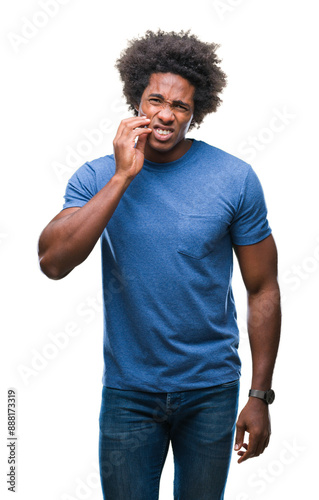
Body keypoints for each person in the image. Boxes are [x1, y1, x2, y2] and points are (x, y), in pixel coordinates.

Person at [38, 30, 281, 500]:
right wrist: (123, 175)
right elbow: (53, 261)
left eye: (181, 106)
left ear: (197, 112)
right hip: (130, 392)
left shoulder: (235, 178)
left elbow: (263, 287)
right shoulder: (95, 175)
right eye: (155, 100)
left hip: (211, 388)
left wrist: (259, 396)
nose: (166, 114)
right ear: (136, 100)